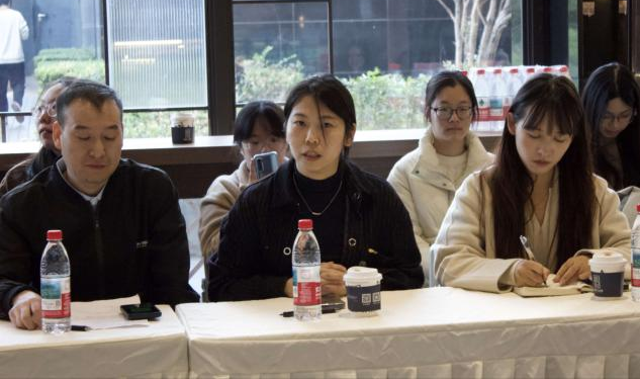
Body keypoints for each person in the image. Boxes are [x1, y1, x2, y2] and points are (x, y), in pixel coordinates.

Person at [0, 79, 199, 330]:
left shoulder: (152, 189)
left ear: (122, 135)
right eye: (84, 137)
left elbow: (173, 282)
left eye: (109, 136)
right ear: (58, 135)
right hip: (59, 333)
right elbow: (4, 279)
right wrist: (19, 296)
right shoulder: (22, 205)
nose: (98, 150)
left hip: (144, 332)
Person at [208, 74, 423, 301]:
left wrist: (354, 284)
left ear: (349, 135)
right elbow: (220, 285)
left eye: (326, 125)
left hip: (359, 322)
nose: (311, 138)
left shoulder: (377, 197)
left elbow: (410, 276)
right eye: (300, 123)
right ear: (286, 129)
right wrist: (287, 285)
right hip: (282, 322)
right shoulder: (255, 201)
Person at [431, 74, 630, 292]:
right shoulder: (479, 189)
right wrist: (510, 271)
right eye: (534, 135)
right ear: (512, 124)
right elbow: (448, 261)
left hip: (578, 311)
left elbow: (632, 251)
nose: (545, 150)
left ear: (573, 138)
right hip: (502, 313)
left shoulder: (594, 191)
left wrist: (593, 260)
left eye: (559, 138)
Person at [388, 71, 493, 284]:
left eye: (462, 109)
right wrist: (446, 273)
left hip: (486, 280)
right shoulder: (404, 172)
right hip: (428, 285)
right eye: (444, 109)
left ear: (473, 112)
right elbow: (408, 241)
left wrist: (481, 275)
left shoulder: (494, 168)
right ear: (428, 112)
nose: (454, 118)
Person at [199, 100, 287, 261]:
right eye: (254, 142)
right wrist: (248, 200)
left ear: (286, 144)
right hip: (244, 275)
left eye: (274, 140)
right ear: (241, 147)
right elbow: (212, 254)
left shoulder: (300, 182)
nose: (265, 149)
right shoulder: (225, 189)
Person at [0, 77, 77, 196]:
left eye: (55, 108)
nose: (43, 117)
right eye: (40, 108)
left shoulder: (99, 174)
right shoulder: (17, 178)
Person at [581, 62, 640, 190]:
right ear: (591, 108)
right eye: (606, 116)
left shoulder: (634, 135)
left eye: (624, 115)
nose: (615, 124)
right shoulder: (577, 143)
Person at [0, 0, 29, 113]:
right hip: (16, 58)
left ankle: (3, 116)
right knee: (18, 83)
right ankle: (17, 102)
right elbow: (25, 35)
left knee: (0, 89)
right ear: (9, 3)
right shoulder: (17, 15)